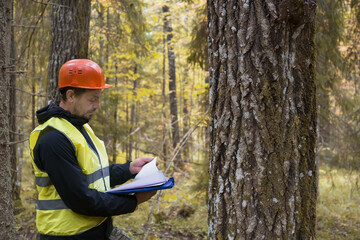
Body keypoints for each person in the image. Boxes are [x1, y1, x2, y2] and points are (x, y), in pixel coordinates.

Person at [29, 59, 157, 240]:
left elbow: (94, 178)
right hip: (68, 236)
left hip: (94, 230)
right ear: (71, 95)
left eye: (98, 98)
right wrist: (134, 201)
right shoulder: (53, 139)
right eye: (92, 99)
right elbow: (82, 200)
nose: (97, 105)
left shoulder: (79, 127)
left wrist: (129, 169)